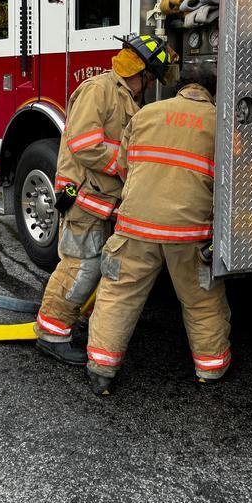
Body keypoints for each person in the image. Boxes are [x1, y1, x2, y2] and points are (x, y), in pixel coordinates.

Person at [84, 66, 229, 396]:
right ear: (212, 91)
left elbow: (122, 166)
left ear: (180, 87)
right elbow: (231, 181)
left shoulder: (147, 113)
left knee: (119, 295)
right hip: (189, 235)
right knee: (201, 299)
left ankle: (101, 370)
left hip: (135, 227)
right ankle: (211, 369)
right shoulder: (220, 121)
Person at [34, 34, 176, 365]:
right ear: (138, 70)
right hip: (83, 198)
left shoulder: (125, 96)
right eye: (150, 76)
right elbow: (84, 144)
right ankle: (52, 334)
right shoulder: (100, 90)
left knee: (95, 266)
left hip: (101, 201)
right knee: (79, 267)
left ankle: (70, 322)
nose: (150, 84)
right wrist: (127, 166)